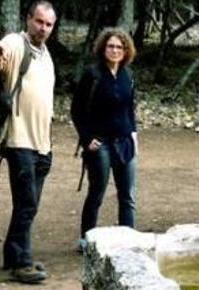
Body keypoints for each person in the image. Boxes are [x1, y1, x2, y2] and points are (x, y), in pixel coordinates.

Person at [0, 0, 56, 284]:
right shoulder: (17, 42)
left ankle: (12, 254)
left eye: (49, 24)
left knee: (28, 204)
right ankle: (22, 262)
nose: (43, 28)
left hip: (42, 143)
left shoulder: (46, 54)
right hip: (19, 139)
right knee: (27, 203)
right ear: (28, 19)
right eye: (39, 21)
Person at [71, 27, 138, 253]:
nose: (115, 50)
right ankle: (86, 239)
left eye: (120, 47)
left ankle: (128, 241)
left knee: (127, 195)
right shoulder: (93, 75)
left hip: (125, 142)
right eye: (111, 46)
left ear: (126, 50)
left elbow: (130, 108)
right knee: (97, 192)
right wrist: (86, 138)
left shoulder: (128, 76)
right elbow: (76, 110)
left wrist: (134, 134)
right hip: (100, 144)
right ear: (103, 48)